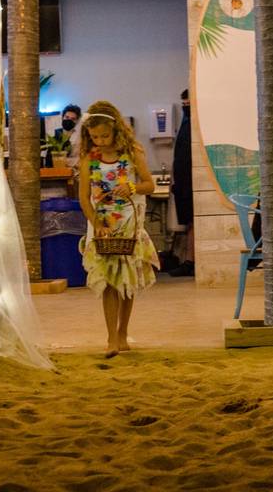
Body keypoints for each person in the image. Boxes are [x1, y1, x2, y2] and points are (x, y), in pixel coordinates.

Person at [77, 101, 159, 358]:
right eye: (94, 137)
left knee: (127, 281)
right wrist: (97, 224)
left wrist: (133, 188)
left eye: (104, 135)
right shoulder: (88, 160)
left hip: (129, 224)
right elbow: (83, 198)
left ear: (116, 130)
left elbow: (149, 184)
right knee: (109, 284)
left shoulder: (132, 153)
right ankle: (111, 336)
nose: (100, 141)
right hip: (102, 226)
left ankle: (123, 332)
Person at [170, 89, 195, 276]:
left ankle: (191, 261)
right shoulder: (186, 123)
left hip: (189, 183)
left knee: (192, 224)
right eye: (184, 104)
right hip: (183, 183)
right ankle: (187, 259)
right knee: (187, 224)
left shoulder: (193, 125)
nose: (186, 106)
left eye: (188, 103)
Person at [55, 103, 82, 168]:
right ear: (62, 117)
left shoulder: (80, 136)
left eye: (73, 119)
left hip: (76, 169)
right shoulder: (55, 134)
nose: (69, 120)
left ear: (77, 121)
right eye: (67, 117)